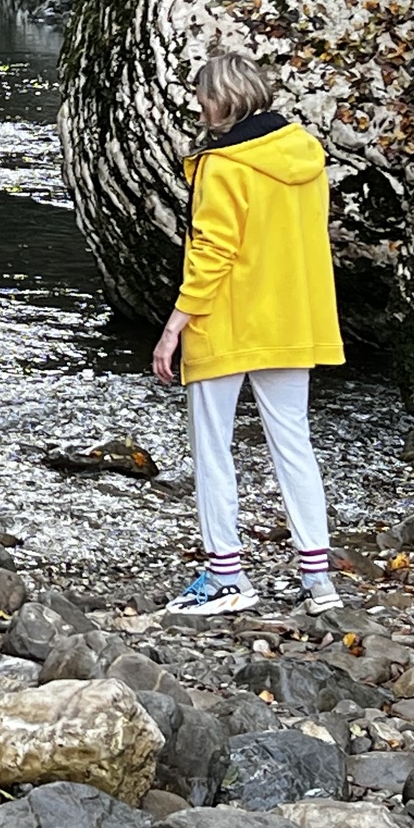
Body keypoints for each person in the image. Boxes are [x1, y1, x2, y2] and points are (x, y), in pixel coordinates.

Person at [152, 51, 346, 617]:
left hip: (227, 322)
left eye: (203, 97)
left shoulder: (223, 164)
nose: (199, 107)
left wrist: (173, 328)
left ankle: (226, 578)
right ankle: (318, 579)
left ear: (222, 100)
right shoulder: (306, 156)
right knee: (294, 444)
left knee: (213, 448)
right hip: (291, 321)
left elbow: (213, 253)